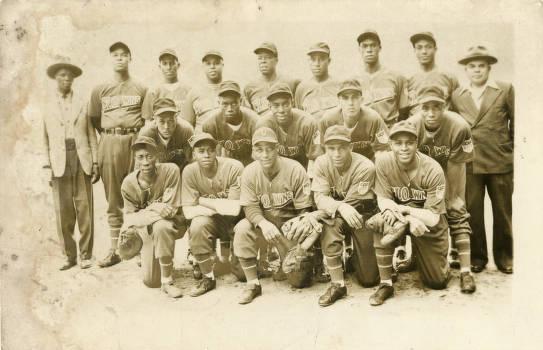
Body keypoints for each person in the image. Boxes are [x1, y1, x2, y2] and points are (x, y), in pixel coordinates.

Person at [233, 127, 320, 304]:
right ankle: (252, 285)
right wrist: (263, 224)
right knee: (242, 229)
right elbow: (249, 207)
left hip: (289, 227)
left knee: (299, 282)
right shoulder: (249, 172)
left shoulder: (295, 169)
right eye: (259, 149)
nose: (264, 154)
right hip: (264, 226)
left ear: (277, 149)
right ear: (253, 152)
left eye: (269, 149)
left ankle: (293, 262)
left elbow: (305, 208)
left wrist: (299, 225)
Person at [370, 120, 450, 306]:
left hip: (425, 222)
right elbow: (383, 199)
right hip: (398, 219)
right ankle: (386, 283)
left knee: (437, 282)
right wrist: (397, 212)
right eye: (398, 143)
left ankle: (418, 256)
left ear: (417, 143)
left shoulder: (432, 169)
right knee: (380, 221)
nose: (404, 148)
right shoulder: (383, 162)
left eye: (409, 142)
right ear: (390, 145)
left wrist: (407, 211)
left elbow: (433, 217)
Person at [451, 45, 514, 274]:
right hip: (470, 164)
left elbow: (516, 124)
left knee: (503, 212)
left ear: (489, 68)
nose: (477, 70)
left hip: (500, 161)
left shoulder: (504, 89)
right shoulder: (458, 95)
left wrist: (511, 153)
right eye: (471, 66)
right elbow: (453, 127)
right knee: (473, 212)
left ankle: (506, 258)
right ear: (466, 70)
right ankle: (477, 257)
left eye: (481, 66)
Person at [409, 85, 476, 293]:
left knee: (456, 208)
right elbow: (409, 162)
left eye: (436, 107)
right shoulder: (412, 125)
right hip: (422, 175)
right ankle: (415, 257)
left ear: (445, 106)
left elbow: (456, 165)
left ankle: (466, 271)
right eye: (426, 107)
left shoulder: (458, 126)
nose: (431, 113)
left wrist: (448, 197)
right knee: (415, 208)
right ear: (419, 108)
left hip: (450, 170)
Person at [88, 41, 147, 268]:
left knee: (138, 194)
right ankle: (114, 250)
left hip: (134, 140)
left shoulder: (141, 88)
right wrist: (109, 134)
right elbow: (94, 119)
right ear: (111, 59)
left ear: (130, 58)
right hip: (110, 141)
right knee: (113, 198)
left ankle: (141, 249)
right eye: (115, 55)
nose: (120, 58)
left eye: (124, 55)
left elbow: (146, 118)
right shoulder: (99, 89)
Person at [312, 125, 380, 307]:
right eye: (331, 148)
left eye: (341, 147)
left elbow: (355, 203)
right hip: (338, 213)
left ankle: (354, 258)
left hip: (362, 214)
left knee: (369, 279)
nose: (336, 153)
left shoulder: (365, 166)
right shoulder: (321, 162)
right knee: (330, 224)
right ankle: (337, 284)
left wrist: (336, 206)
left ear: (350, 147)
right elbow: (319, 197)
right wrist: (339, 206)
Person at [42, 59, 99, 271]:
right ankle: (69, 255)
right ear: (55, 78)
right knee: (63, 210)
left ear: (74, 79)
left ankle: (86, 255)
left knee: (84, 208)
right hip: (58, 161)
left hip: (80, 157)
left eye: (69, 76)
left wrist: (95, 161)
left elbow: (91, 134)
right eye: (61, 76)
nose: (66, 79)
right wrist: (47, 166)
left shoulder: (82, 103)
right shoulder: (47, 105)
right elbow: (44, 138)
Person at [120, 136, 186, 298]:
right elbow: (130, 220)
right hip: (145, 231)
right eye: (140, 157)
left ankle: (167, 281)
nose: (145, 162)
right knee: (150, 281)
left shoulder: (171, 170)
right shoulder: (128, 183)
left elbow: (170, 211)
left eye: (149, 156)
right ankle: (147, 256)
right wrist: (155, 206)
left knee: (162, 225)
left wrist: (143, 215)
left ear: (157, 156)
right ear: (135, 159)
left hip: (172, 225)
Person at [181, 133, 245, 296]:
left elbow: (233, 210)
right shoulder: (189, 171)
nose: (206, 155)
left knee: (243, 276)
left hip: (235, 222)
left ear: (216, 151)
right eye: (201, 151)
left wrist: (201, 200)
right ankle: (208, 277)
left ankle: (230, 259)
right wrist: (217, 207)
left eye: (210, 150)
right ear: (194, 154)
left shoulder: (233, 167)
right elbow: (188, 212)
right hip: (212, 222)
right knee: (197, 225)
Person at [319, 79, 389, 161]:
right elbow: (321, 151)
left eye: (355, 97)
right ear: (339, 101)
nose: (350, 103)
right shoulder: (328, 120)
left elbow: (383, 149)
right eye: (345, 98)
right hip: (337, 163)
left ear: (362, 100)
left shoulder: (373, 119)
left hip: (367, 163)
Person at [255, 82, 321, 170]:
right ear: (269, 106)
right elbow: (260, 157)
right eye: (276, 105)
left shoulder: (308, 123)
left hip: (302, 170)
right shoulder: (264, 124)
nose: (281, 110)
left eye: (285, 104)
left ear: (292, 103)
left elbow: (315, 158)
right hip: (275, 170)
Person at [355, 30, 409, 127]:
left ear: (379, 48)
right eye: (365, 46)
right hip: (364, 134)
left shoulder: (397, 77)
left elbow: (404, 111)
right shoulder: (354, 81)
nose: (369, 50)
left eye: (373, 45)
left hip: (389, 132)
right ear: (359, 49)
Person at [202, 81, 259, 166]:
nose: (230, 109)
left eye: (234, 103)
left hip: (251, 162)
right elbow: (209, 154)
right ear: (218, 103)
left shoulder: (254, 121)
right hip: (225, 164)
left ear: (241, 101)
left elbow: (260, 154)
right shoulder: (210, 124)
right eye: (225, 104)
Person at [406, 32, 459, 117]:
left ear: (435, 49)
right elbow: (404, 112)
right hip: (416, 127)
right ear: (414, 51)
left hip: (443, 126)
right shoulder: (407, 79)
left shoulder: (449, 77)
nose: (424, 51)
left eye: (428, 47)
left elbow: (457, 109)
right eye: (419, 48)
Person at [138, 98, 194, 173]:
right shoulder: (146, 134)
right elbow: (140, 165)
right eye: (161, 121)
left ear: (176, 117)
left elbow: (192, 162)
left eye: (170, 121)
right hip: (156, 173)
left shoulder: (187, 130)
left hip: (180, 173)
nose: (166, 127)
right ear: (154, 119)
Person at [243, 42, 300, 115]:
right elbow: (248, 117)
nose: (263, 61)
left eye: (267, 57)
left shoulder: (291, 83)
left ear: (276, 60)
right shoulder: (249, 88)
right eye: (260, 58)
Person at [141, 49, 190, 121]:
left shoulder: (188, 90)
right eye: (165, 63)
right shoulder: (153, 92)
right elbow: (148, 121)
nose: (169, 67)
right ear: (159, 66)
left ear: (178, 65)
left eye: (172, 63)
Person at [294, 42, 340, 119]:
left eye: (322, 59)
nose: (317, 64)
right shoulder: (302, 88)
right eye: (313, 59)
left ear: (329, 61)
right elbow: (299, 117)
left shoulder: (338, 85)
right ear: (309, 61)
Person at [182, 50, 224, 131]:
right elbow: (187, 126)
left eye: (216, 63)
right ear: (203, 67)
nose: (212, 66)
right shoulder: (194, 92)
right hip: (203, 140)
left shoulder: (231, 90)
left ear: (222, 65)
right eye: (208, 64)